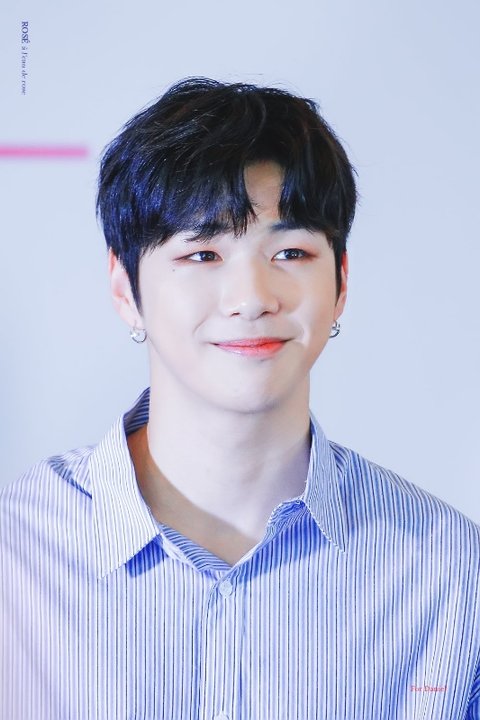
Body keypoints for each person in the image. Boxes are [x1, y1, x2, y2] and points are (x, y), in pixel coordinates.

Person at [1, 77, 479, 720]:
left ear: (340, 282)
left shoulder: (449, 571)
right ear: (124, 288)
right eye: (203, 254)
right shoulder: (19, 553)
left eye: (290, 251)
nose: (252, 297)